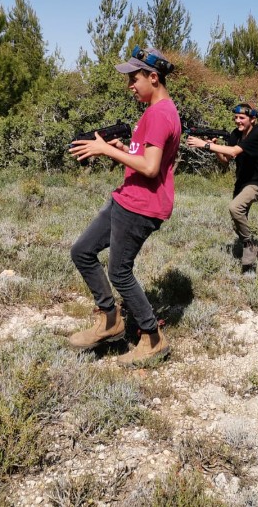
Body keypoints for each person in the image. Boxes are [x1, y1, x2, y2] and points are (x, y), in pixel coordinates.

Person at [67, 46, 180, 367]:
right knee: (82, 251)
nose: (130, 85)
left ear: (153, 77)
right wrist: (121, 146)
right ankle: (109, 319)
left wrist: (105, 150)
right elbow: (141, 155)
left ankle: (152, 338)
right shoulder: (154, 111)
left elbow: (150, 168)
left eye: (135, 79)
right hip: (126, 196)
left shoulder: (160, 114)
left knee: (119, 271)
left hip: (143, 205)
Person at [186, 103, 258, 270]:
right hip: (242, 183)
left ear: (252, 119)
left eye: (242, 118)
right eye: (236, 117)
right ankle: (252, 252)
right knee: (237, 222)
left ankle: (248, 249)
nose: (237, 121)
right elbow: (226, 160)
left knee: (235, 207)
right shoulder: (235, 134)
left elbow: (233, 152)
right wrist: (214, 148)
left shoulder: (256, 134)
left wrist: (204, 144)